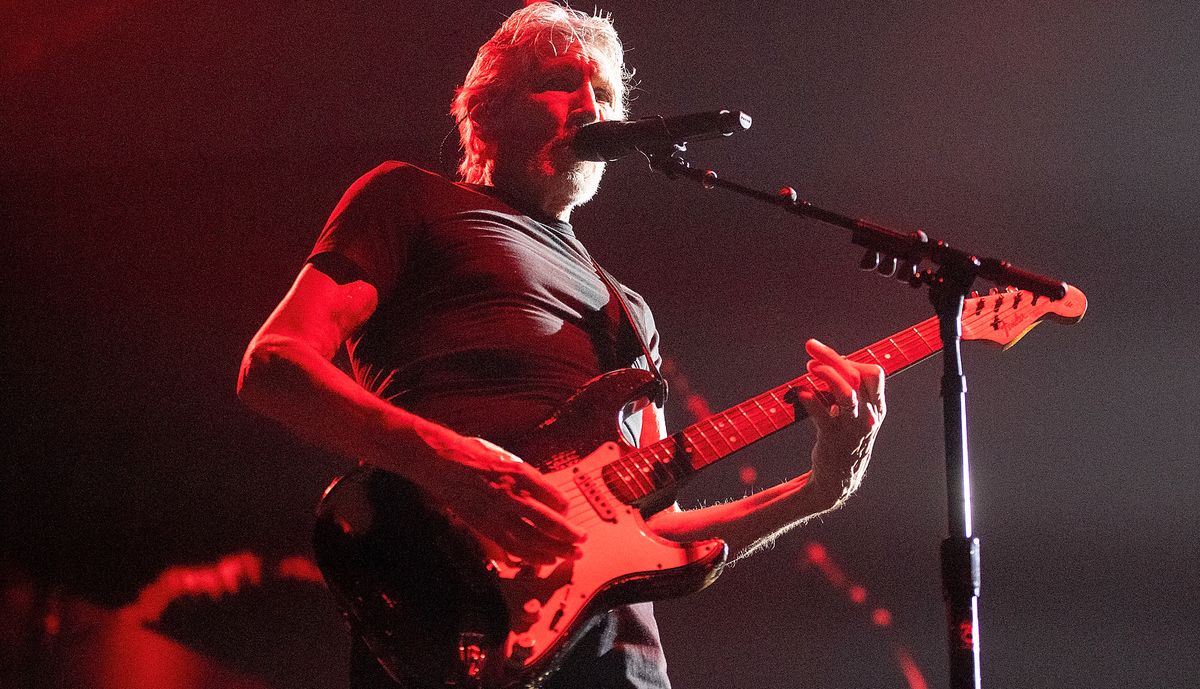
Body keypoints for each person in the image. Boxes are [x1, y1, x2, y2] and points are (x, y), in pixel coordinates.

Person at [236, 3, 885, 687]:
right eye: (559, 82)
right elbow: (274, 364)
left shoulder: (629, 311)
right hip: (452, 617)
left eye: (602, 91)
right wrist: (452, 465)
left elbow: (655, 528)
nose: (590, 104)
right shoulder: (409, 200)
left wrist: (818, 489)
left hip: (620, 666)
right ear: (484, 111)